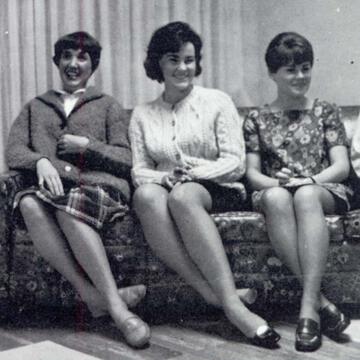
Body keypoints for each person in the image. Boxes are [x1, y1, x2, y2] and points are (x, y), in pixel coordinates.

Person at [129, 21, 280, 348]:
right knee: (145, 195)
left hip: (218, 187)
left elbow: (235, 162)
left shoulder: (217, 101)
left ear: (197, 62)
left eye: (189, 60)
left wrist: (194, 173)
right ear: (158, 62)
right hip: (170, 186)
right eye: (173, 59)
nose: (183, 68)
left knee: (182, 196)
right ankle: (213, 295)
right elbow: (140, 171)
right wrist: (164, 177)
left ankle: (233, 307)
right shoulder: (142, 114)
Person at [6, 31, 150, 348]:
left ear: (92, 65)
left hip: (101, 188)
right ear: (57, 62)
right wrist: (42, 161)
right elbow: (14, 151)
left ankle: (115, 308)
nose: (74, 63)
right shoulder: (35, 107)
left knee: (68, 207)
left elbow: (127, 159)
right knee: (28, 204)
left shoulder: (108, 106)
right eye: (67, 56)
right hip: (55, 194)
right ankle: (95, 298)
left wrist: (88, 147)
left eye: (82, 57)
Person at [244, 32, 352, 352]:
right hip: (278, 189)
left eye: (305, 67)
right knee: (278, 198)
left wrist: (309, 180)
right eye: (290, 70)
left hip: (322, 188)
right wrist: (280, 184)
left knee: (304, 196)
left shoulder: (326, 111)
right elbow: (251, 174)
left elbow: (341, 166)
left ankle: (308, 309)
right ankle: (322, 304)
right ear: (273, 73)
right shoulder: (256, 118)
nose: (300, 76)